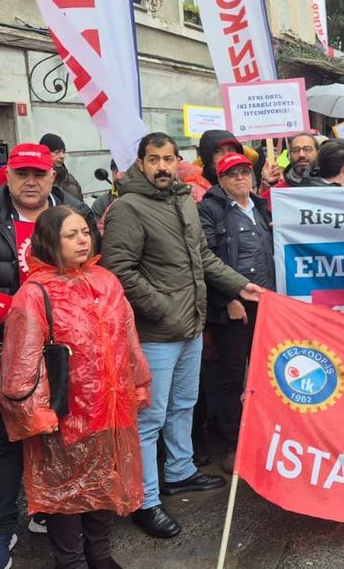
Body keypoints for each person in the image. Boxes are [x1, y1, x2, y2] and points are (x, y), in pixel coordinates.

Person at [99, 133, 264, 539]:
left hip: (190, 326)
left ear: (178, 162)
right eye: (154, 159)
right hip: (156, 333)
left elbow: (203, 257)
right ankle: (145, 500)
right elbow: (120, 270)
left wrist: (240, 285)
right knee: (149, 418)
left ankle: (179, 471)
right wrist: (162, 307)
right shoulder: (127, 209)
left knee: (183, 405)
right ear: (140, 163)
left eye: (169, 159)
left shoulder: (184, 202)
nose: (162, 167)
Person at [0, 143, 96, 569]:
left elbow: (94, 274)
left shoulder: (76, 213)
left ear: (53, 175)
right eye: (22, 174)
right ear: (8, 176)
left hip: (67, 351)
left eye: (39, 173)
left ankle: (48, 510)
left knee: (58, 436)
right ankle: (0, 531)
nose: (30, 182)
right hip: (5, 349)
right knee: (8, 441)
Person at [0, 206, 150, 569]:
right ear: (50, 241)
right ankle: (71, 561)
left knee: (103, 482)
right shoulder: (34, 293)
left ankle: (100, 554)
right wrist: (33, 411)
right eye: (71, 235)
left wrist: (138, 383)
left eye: (85, 232)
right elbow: (22, 360)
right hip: (64, 414)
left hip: (109, 407)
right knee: (65, 494)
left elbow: (128, 338)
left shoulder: (106, 281)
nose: (83, 241)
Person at [197, 153, 277, 474]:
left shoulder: (262, 207)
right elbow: (207, 258)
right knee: (233, 376)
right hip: (235, 307)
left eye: (245, 172)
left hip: (268, 304)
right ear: (220, 180)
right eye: (232, 174)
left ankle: (266, 436)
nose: (240, 178)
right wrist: (228, 297)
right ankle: (233, 444)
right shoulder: (210, 210)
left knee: (267, 373)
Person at [39, 133, 84, 202]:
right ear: (44, 154)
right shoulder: (37, 180)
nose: (62, 156)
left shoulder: (70, 179)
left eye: (63, 152)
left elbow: (81, 205)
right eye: (57, 152)